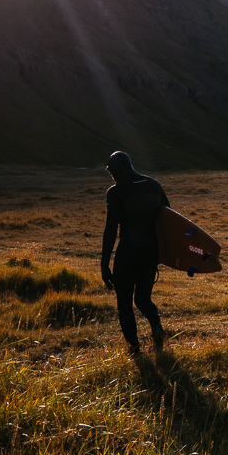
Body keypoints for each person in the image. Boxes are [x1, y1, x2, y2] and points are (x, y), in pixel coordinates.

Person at [100, 150, 169, 356]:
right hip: (150, 254)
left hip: (128, 254)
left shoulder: (116, 192)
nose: (111, 175)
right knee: (142, 299)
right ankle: (156, 324)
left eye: (111, 171)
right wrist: (162, 254)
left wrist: (104, 263)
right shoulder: (154, 185)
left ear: (119, 169)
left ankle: (134, 348)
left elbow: (111, 229)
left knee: (124, 302)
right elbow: (167, 220)